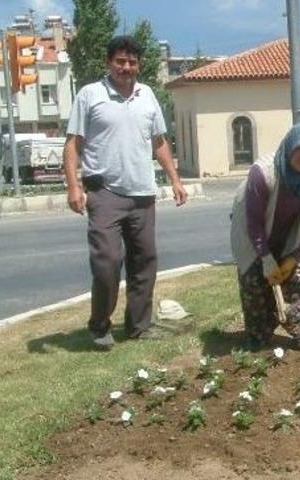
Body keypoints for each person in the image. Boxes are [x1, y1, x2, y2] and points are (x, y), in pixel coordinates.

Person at [63, 35, 187, 350]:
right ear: (109, 63)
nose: (126, 67)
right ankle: (100, 325)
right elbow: (73, 143)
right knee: (107, 260)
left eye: (132, 62)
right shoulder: (90, 95)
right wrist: (74, 186)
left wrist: (175, 179)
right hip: (104, 192)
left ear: (138, 65)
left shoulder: (147, 96)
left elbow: (159, 142)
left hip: (143, 193)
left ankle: (138, 326)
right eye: (120, 61)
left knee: (145, 261)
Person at [230, 123, 300, 351]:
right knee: (254, 280)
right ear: (288, 148)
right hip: (252, 233)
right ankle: (259, 334)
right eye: (299, 150)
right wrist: (266, 259)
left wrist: (293, 257)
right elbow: (253, 222)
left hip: (292, 235)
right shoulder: (263, 173)